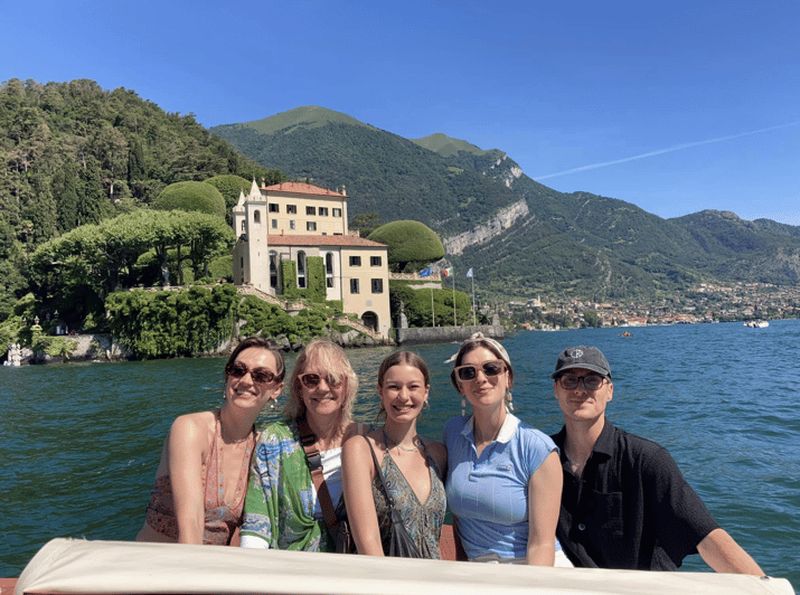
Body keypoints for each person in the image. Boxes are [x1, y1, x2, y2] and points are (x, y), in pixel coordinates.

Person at [549, 345, 764, 574]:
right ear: (556, 390)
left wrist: (760, 584)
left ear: (609, 391)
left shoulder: (646, 459)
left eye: (592, 381)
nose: (579, 390)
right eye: (569, 381)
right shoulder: (541, 459)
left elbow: (705, 535)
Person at [136, 337, 284, 545]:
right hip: (159, 561)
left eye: (261, 375)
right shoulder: (190, 429)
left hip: (214, 563)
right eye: (238, 370)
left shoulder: (262, 448)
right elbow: (191, 525)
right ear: (227, 375)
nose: (246, 381)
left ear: (276, 389)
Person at [443, 333, 566, 565]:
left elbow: (542, 544)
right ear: (460, 385)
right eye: (468, 372)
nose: (480, 378)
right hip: (477, 570)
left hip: (529, 568)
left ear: (508, 377)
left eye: (491, 369)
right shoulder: (453, 433)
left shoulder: (537, 448)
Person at [240, 339, 362, 550]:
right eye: (311, 380)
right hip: (292, 566)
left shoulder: (365, 441)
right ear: (299, 388)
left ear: (347, 386)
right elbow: (257, 524)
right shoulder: (274, 441)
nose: (322, 388)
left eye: (333, 379)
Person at [342, 351, 447, 557]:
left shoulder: (438, 453)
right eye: (394, 387)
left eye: (413, 387)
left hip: (435, 574)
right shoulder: (361, 450)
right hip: (386, 575)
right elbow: (368, 543)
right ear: (380, 391)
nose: (404, 396)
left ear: (426, 392)